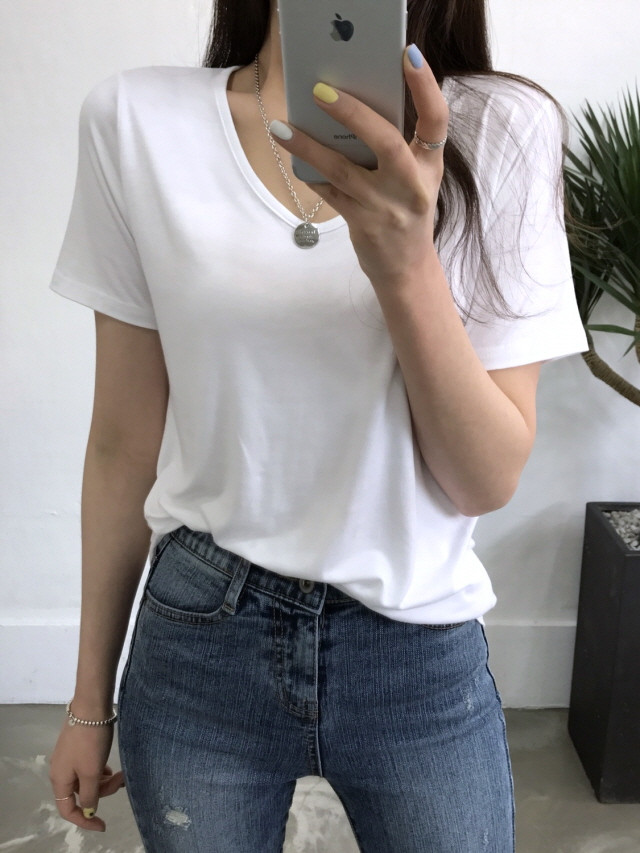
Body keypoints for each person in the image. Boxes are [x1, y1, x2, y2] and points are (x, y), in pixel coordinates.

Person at [47, 0, 588, 850]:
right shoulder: (136, 119)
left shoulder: (502, 129)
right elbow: (121, 444)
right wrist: (89, 703)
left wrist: (405, 260)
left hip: (415, 638)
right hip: (202, 631)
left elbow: (484, 478)